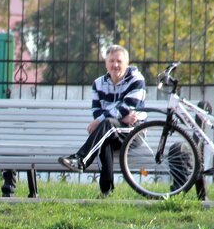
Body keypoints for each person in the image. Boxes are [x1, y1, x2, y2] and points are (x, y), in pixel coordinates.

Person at [57, 44, 147, 197]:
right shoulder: (98, 84)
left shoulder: (136, 79)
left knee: (106, 125)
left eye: (119, 61)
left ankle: (80, 160)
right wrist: (117, 114)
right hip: (111, 131)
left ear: (127, 62)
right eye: (111, 61)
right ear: (106, 63)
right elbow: (96, 111)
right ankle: (106, 191)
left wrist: (108, 116)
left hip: (134, 132)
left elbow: (129, 106)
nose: (115, 65)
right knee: (106, 136)